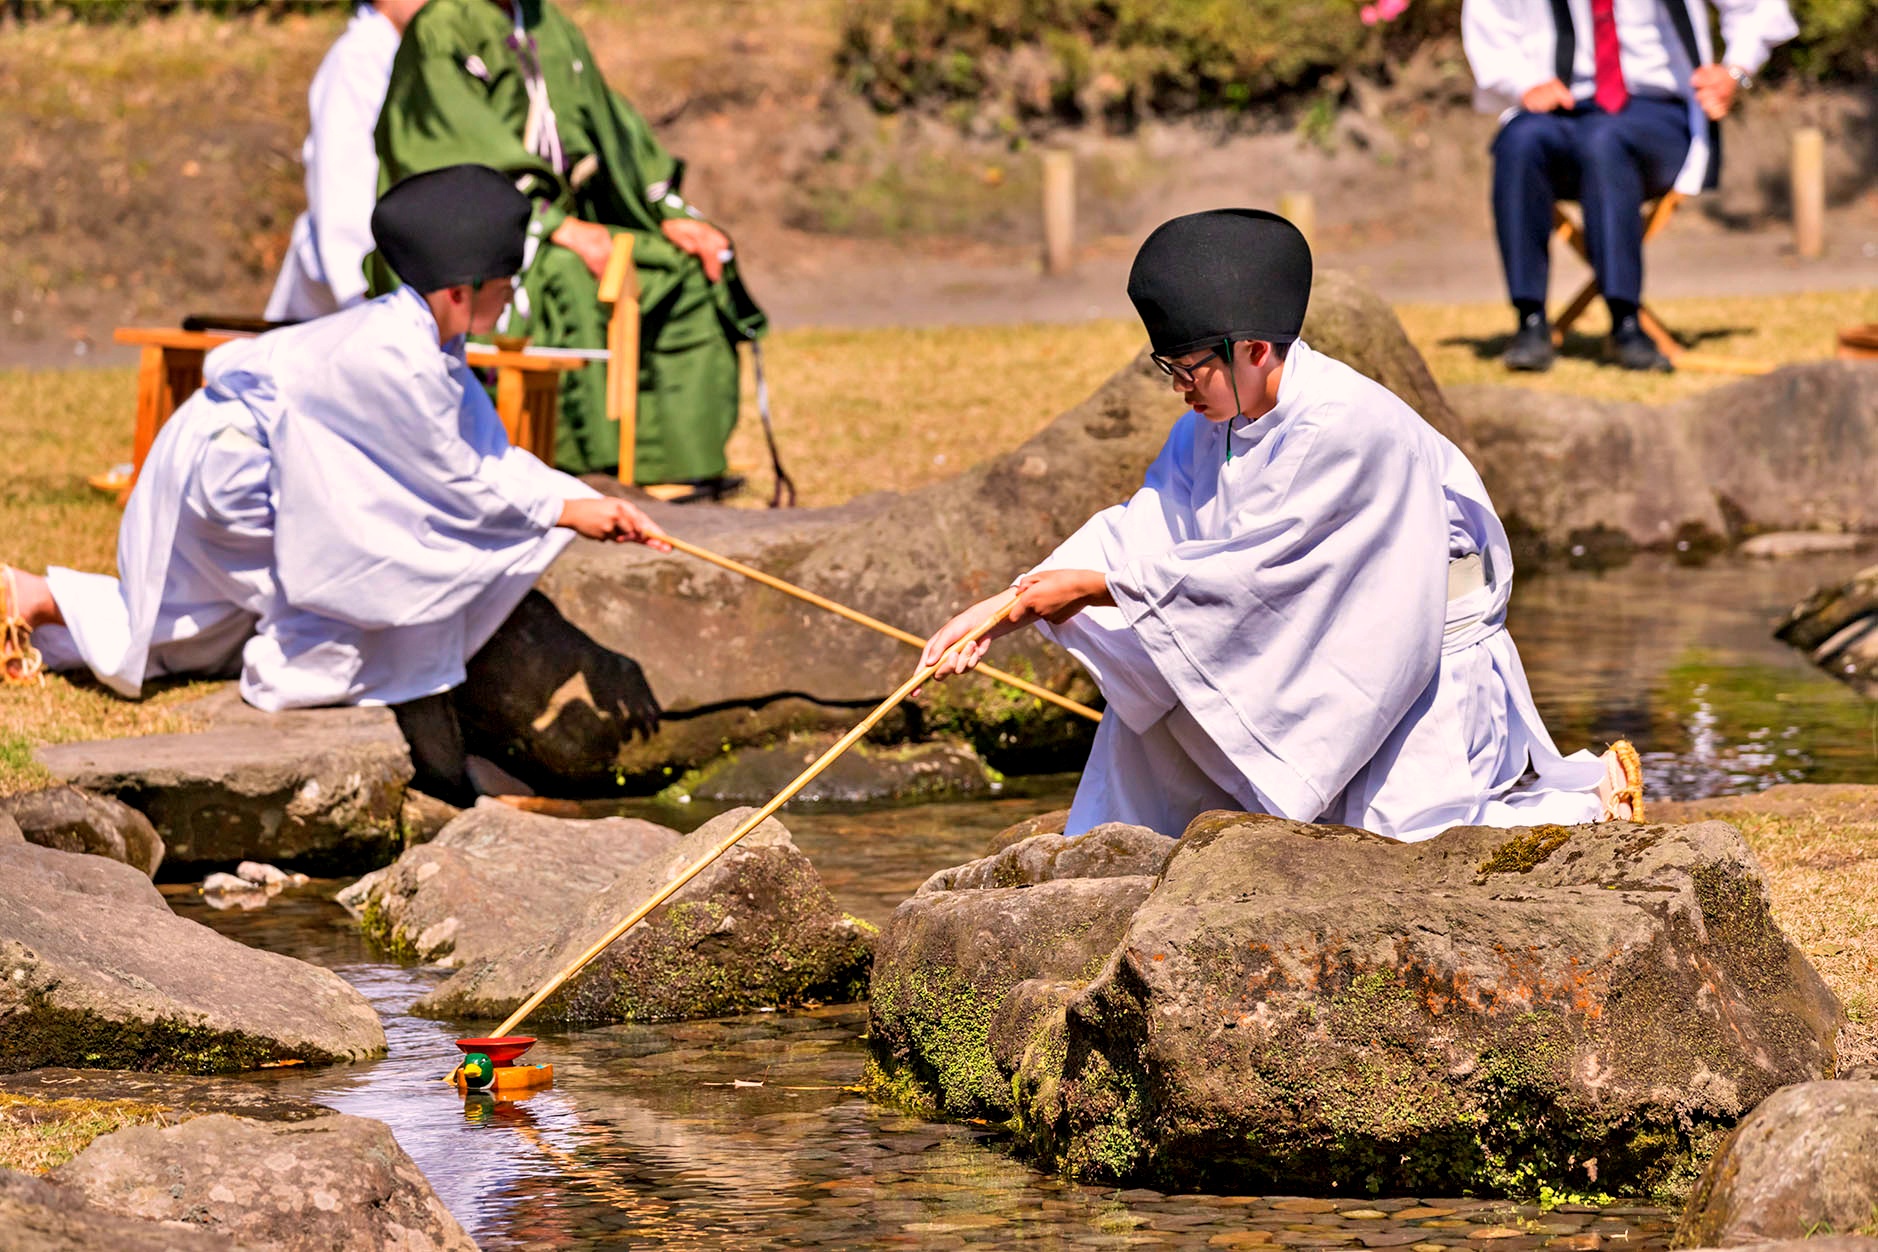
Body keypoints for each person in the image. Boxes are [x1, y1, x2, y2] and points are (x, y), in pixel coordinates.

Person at [920, 209, 1645, 843]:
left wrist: (1098, 586)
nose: (1179, 389)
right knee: (1158, 720)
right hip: (1325, 636)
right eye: (1167, 368)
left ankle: (1587, 805)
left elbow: (1263, 574)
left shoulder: (1351, 427)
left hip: (1414, 654)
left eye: (1188, 369)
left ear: (1255, 350)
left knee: (1408, 849)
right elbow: (1147, 536)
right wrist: (1006, 607)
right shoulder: (1214, 423)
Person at [1, 165, 668, 805]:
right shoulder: (394, 358)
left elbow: (480, 449)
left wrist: (584, 500)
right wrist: (566, 509)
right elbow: (455, 481)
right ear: (459, 290)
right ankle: (307, 677)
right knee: (329, 595)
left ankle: (27, 596)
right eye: (504, 282)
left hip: (258, 469)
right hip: (236, 479)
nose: (511, 296)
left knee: (196, 628)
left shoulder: (425, 336)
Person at [373, 0, 767, 495]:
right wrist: (554, 224)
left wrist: (668, 214)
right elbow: (449, 146)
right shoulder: (442, 26)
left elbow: (612, 126)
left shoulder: (548, 24)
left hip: (574, 218)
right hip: (486, 232)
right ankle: (588, 471)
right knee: (570, 276)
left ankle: (676, 470)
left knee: (686, 268)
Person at [1461, 0, 1795, 372]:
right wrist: (1522, 84)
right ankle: (1530, 320)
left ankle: (1626, 322)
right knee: (1519, 142)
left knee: (1604, 141)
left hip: (1658, 112)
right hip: (1564, 106)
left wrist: (1735, 71)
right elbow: (1488, 19)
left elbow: (1760, 8)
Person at [265, 0, 431, 322]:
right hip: (342, 294)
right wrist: (363, 297)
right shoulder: (359, 57)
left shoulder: (415, 56)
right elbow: (341, 183)